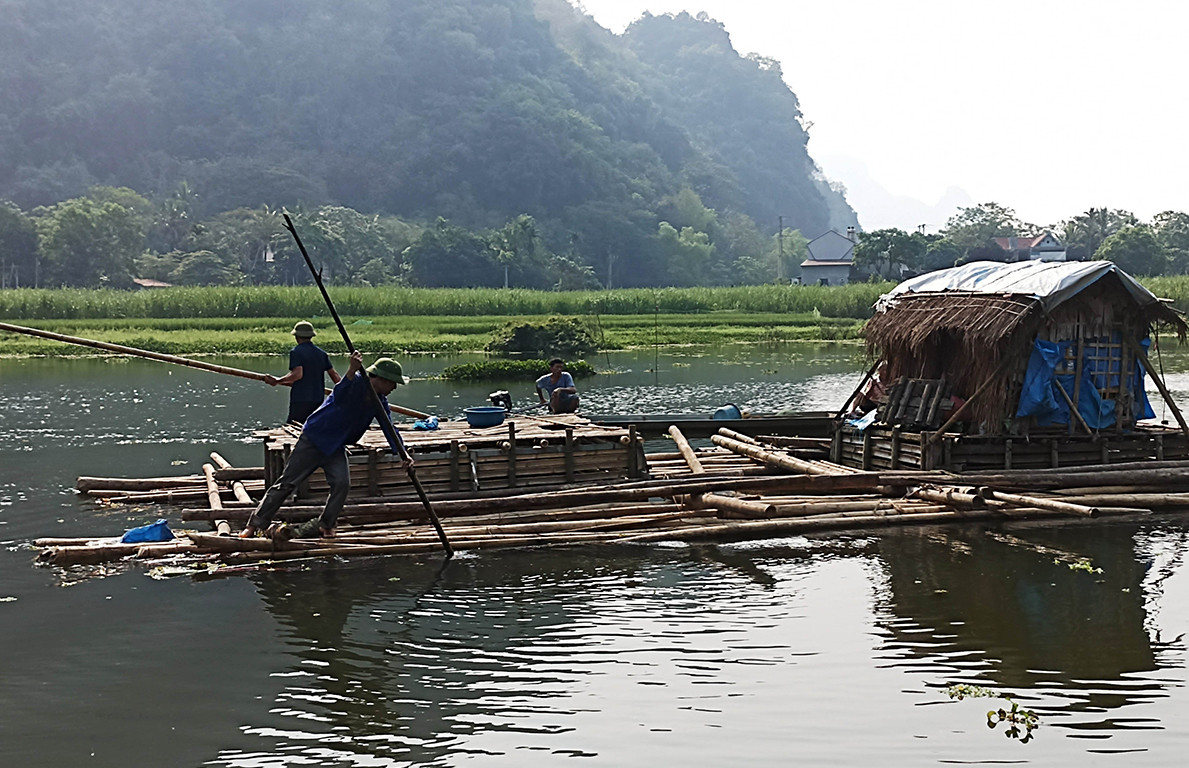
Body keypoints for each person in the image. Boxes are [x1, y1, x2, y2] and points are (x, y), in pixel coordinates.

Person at [241, 351, 411, 539]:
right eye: (392, 383)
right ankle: (254, 524)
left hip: (335, 446)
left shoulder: (379, 400)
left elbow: (389, 427)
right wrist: (351, 370)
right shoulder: (354, 382)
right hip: (314, 439)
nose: (394, 387)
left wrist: (403, 454)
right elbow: (340, 394)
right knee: (287, 483)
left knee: (341, 483)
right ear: (380, 379)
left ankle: (327, 524)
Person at [265, 321, 341, 424]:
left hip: (301, 399)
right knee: (313, 427)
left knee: (294, 425)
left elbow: (297, 374)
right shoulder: (321, 354)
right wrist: (345, 389)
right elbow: (335, 376)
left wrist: (278, 381)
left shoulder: (296, 352)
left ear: (297, 337)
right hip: (318, 398)